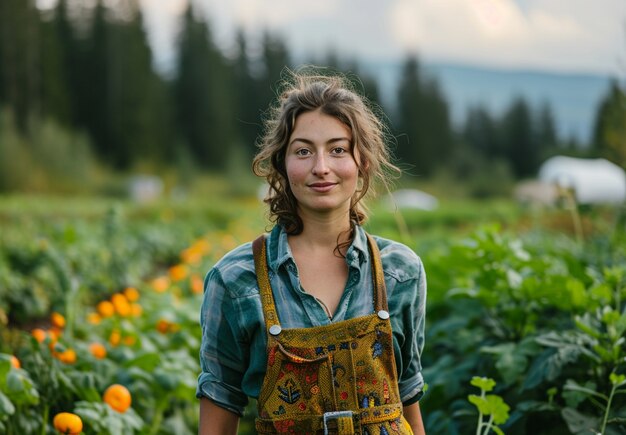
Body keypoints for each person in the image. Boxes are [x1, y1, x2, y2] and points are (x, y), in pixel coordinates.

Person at [197, 69, 427, 434]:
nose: (321, 168)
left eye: (338, 150)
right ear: (281, 165)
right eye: (303, 151)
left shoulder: (400, 271)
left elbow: (406, 393)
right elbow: (220, 400)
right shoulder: (236, 279)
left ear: (361, 162)